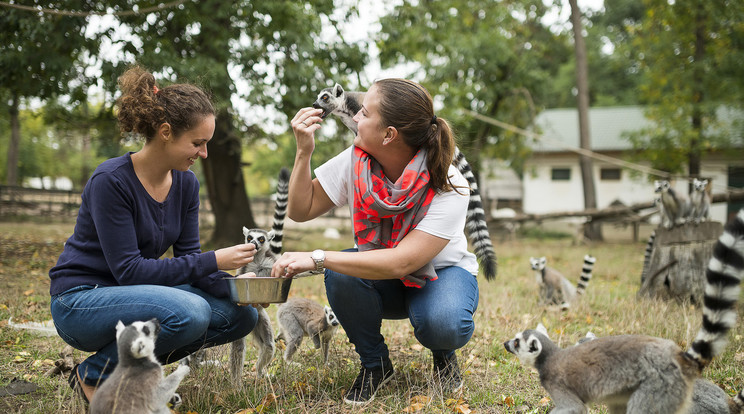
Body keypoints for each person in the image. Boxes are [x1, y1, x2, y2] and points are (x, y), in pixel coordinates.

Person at [49, 66, 259, 402]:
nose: (203, 154)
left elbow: (189, 261)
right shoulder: (111, 181)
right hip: (81, 301)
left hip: (136, 296)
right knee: (190, 313)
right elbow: (129, 271)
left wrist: (240, 289)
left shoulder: (187, 184)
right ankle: (92, 375)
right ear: (165, 132)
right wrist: (214, 259)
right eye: (198, 143)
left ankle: (127, 378)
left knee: (241, 316)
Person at [272, 78, 480, 405]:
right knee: (340, 272)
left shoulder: (449, 182)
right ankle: (375, 364)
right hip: (384, 280)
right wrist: (303, 152)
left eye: (364, 114)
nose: (355, 118)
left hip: (440, 275)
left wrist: (317, 257)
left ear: (389, 135)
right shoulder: (355, 162)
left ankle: (443, 353)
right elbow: (301, 209)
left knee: (443, 323)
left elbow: (403, 262)